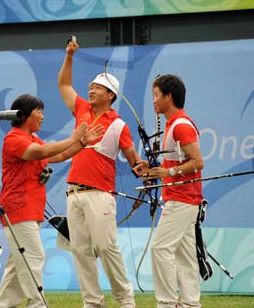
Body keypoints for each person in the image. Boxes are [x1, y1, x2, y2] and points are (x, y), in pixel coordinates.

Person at [0, 94, 104, 308]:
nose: (42, 117)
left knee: (19, 264)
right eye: (38, 111)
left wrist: (81, 142)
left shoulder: (32, 139)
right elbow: (43, 152)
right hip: (18, 209)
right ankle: (38, 304)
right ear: (24, 115)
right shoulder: (14, 139)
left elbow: (58, 155)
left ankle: (4, 305)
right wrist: (74, 138)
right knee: (33, 257)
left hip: (30, 210)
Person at [57, 39, 141, 308]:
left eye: (98, 87)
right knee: (80, 252)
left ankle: (125, 299)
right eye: (91, 86)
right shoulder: (81, 109)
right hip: (73, 193)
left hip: (100, 195)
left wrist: (143, 168)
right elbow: (64, 86)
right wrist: (70, 56)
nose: (91, 90)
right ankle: (93, 302)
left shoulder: (119, 125)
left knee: (106, 248)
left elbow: (134, 161)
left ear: (111, 95)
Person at [133, 74, 204, 308]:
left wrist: (168, 174)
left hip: (182, 199)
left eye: (156, 95)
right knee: (184, 257)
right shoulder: (174, 125)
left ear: (169, 97)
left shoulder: (181, 125)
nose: (153, 100)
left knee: (160, 248)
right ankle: (191, 304)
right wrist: (155, 168)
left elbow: (197, 162)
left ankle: (166, 303)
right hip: (183, 198)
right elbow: (177, 163)